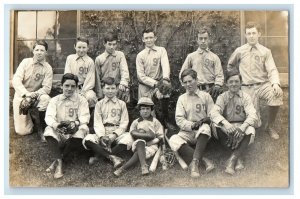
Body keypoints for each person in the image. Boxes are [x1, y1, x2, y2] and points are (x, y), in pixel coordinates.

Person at [227, 21, 283, 140]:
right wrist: (236, 79)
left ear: (259, 34)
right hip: (247, 87)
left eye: (254, 33)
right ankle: (257, 122)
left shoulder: (265, 51)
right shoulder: (239, 51)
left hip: (263, 85)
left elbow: (272, 69)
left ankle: (270, 126)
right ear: (245, 35)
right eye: (248, 33)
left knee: (277, 95)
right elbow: (230, 65)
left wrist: (275, 84)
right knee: (255, 123)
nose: (251, 36)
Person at [209, 70, 258, 175]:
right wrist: (226, 124)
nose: (234, 84)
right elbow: (213, 113)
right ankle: (238, 158)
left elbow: (253, 115)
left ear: (241, 83)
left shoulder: (246, 97)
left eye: (236, 81)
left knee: (251, 129)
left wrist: (242, 127)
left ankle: (232, 159)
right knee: (215, 124)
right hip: (227, 127)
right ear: (226, 83)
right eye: (231, 82)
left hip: (241, 126)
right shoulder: (222, 97)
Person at [168, 68, 215, 178]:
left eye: (190, 81)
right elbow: (179, 119)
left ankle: (194, 164)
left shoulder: (205, 96)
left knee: (205, 128)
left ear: (196, 80)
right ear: (183, 84)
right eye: (185, 82)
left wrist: (205, 120)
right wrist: (191, 125)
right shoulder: (182, 99)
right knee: (173, 140)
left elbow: (213, 115)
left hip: (202, 131)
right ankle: (203, 160)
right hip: (188, 131)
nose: (188, 84)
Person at [44, 73, 90, 179]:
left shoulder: (82, 100)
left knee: (84, 129)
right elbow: (49, 117)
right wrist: (57, 125)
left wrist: (76, 123)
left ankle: (57, 161)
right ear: (62, 86)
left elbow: (85, 117)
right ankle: (60, 162)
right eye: (67, 85)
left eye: (73, 86)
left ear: (77, 87)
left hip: (74, 131)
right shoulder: (54, 100)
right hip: (60, 131)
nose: (69, 89)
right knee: (48, 129)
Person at [83, 77, 133, 168]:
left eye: (113, 88)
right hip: (103, 131)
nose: (110, 91)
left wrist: (114, 135)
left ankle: (99, 157)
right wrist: (102, 136)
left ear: (116, 89)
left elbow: (124, 123)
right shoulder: (99, 104)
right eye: (108, 88)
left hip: (116, 131)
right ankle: (111, 157)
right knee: (87, 139)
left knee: (129, 137)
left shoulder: (122, 104)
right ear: (103, 89)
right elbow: (97, 123)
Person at [12, 40, 53, 142]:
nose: (39, 52)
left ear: (46, 52)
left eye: (42, 50)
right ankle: (32, 119)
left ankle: (41, 128)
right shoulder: (25, 62)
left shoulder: (48, 68)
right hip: (21, 96)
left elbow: (47, 88)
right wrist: (26, 94)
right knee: (23, 131)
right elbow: (16, 80)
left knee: (46, 99)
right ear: (33, 51)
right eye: (37, 50)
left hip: (36, 96)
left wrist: (34, 94)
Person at [114, 97, 164, 177]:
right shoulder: (136, 122)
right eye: (143, 109)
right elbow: (132, 133)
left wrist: (150, 142)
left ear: (151, 110)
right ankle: (144, 165)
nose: (145, 111)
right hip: (137, 144)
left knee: (139, 153)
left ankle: (122, 169)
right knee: (140, 142)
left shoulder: (155, 122)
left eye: (147, 109)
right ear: (139, 110)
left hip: (151, 145)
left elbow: (160, 137)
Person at [136, 27, 174, 130]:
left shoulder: (161, 50)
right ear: (143, 39)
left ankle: (165, 121)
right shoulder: (140, 55)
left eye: (151, 37)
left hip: (160, 83)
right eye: (146, 38)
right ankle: (150, 127)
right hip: (146, 86)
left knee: (164, 94)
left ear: (155, 38)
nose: (149, 40)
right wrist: (155, 83)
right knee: (148, 111)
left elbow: (165, 65)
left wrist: (165, 79)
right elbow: (141, 76)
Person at [179, 27, 224, 101]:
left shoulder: (214, 57)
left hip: (211, 91)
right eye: (201, 38)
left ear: (209, 40)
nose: (203, 41)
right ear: (197, 40)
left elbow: (219, 75)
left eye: (205, 38)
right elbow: (182, 75)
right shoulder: (191, 56)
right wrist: (188, 87)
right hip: (195, 91)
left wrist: (217, 86)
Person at [94, 31, 130, 102]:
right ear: (104, 44)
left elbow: (124, 71)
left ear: (116, 44)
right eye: (109, 44)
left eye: (114, 44)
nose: (111, 47)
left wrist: (123, 83)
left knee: (124, 92)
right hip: (105, 87)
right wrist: (99, 94)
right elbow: (97, 78)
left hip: (117, 86)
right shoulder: (99, 59)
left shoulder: (120, 55)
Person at [64, 36, 97, 108]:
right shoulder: (70, 58)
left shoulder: (90, 61)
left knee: (90, 97)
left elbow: (90, 80)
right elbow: (67, 76)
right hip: (72, 87)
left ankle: (89, 117)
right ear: (74, 47)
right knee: (68, 99)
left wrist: (83, 92)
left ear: (88, 48)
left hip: (85, 88)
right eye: (79, 47)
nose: (81, 50)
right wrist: (74, 89)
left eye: (84, 47)